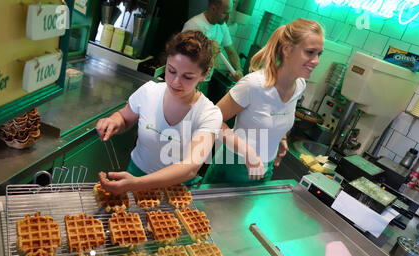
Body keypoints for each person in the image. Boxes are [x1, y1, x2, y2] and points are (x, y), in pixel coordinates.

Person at [96, 30, 223, 194]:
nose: (176, 82)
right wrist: (113, 121)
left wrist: (138, 184)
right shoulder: (150, 91)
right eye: (171, 71)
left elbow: (191, 167)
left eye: (187, 76)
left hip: (175, 191)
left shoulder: (208, 114)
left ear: (204, 74)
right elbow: (123, 117)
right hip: (135, 175)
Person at [202, 18, 324, 184]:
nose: (316, 61)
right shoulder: (254, 85)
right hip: (232, 167)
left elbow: (276, 116)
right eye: (310, 52)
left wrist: (281, 139)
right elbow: (212, 120)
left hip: (265, 168)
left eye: (319, 54)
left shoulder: (300, 86)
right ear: (287, 49)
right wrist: (248, 152)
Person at [182, 0, 243, 96]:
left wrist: (238, 69)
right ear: (213, 8)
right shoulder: (194, 25)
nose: (228, 17)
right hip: (188, 81)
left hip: (204, 82)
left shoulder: (222, 26)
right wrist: (208, 48)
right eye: (225, 13)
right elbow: (182, 56)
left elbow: (231, 51)